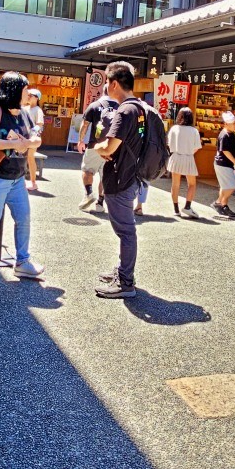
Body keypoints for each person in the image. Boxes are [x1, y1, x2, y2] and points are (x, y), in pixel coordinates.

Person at [0, 72, 44, 284]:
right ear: (14, 90)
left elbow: (35, 138)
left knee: (23, 218)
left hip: (17, 178)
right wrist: (13, 144)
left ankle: (22, 262)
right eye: (24, 89)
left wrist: (29, 142)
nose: (28, 93)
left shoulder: (23, 113)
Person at [93, 61, 148, 299]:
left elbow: (110, 145)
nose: (106, 86)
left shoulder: (124, 111)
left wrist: (98, 147)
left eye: (106, 81)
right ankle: (124, 272)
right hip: (132, 175)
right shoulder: (141, 108)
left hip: (120, 178)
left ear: (114, 84)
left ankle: (125, 282)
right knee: (126, 231)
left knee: (126, 231)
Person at [77, 93, 117, 212]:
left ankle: (89, 194)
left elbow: (85, 125)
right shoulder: (120, 107)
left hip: (95, 145)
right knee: (105, 176)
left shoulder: (94, 106)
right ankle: (100, 203)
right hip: (112, 147)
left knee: (87, 170)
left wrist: (80, 141)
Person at [167, 107, 202, 219]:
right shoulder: (194, 131)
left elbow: (169, 144)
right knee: (192, 184)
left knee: (175, 184)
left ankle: (176, 209)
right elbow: (197, 147)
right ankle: (187, 206)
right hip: (188, 157)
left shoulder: (174, 128)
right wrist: (188, 152)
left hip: (176, 157)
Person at [213, 111, 235, 219]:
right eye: (233, 123)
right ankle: (219, 202)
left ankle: (223, 206)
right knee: (231, 186)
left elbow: (234, 148)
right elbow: (225, 151)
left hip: (226, 163)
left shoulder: (232, 135)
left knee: (225, 186)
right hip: (222, 163)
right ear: (226, 124)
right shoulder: (224, 135)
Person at [22, 88, 45, 192]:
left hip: (32, 138)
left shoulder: (38, 110)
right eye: (28, 94)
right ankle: (22, 181)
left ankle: (33, 182)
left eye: (31, 95)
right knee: (23, 158)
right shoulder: (24, 108)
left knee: (30, 158)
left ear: (36, 98)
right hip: (23, 136)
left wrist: (31, 131)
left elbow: (40, 124)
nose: (29, 96)